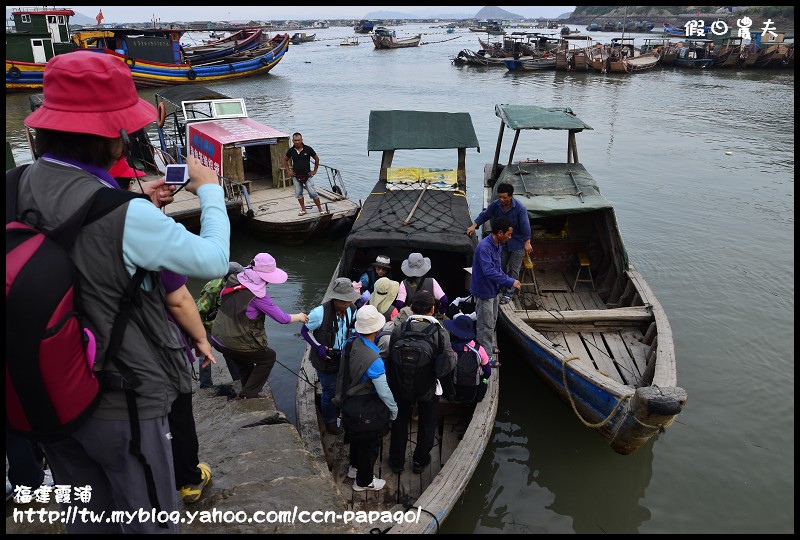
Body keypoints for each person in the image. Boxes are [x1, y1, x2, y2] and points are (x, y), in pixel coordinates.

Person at [19, 50, 230, 533]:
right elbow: (214, 260)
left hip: (45, 390)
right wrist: (211, 191)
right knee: (147, 512)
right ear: (115, 137)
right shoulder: (124, 214)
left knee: (84, 509)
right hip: (119, 396)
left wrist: (132, 203)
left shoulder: (15, 186)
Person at [210, 253, 308, 400]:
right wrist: (299, 317)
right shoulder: (258, 296)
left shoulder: (233, 280)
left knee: (245, 363)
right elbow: (283, 319)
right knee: (268, 357)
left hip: (217, 338)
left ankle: (248, 392)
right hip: (233, 341)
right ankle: (249, 395)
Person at [387, 290, 456, 475]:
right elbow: (448, 363)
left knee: (400, 421)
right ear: (432, 309)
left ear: (411, 307)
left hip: (401, 385)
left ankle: (396, 461)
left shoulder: (400, 328)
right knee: (427, 422)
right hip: (428, 387)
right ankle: (419, 461)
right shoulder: (441, 332)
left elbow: (390, 357)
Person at [161, 271, 214, 505]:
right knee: (178, 418)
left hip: (92, 353)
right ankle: (189, 482)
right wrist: (200, 337)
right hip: (155, 350)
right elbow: (179, 300)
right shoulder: (142, 239)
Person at [335, 305, 398, 492]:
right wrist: (394, 410)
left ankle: (354, 468)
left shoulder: (350, 343)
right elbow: (384, 391)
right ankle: (363, 482)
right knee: (369, 446)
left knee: (355, 438)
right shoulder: (374, 359)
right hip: (365, 405)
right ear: (377, 329)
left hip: (348, 401)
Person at [301, 277, 361, 436]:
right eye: (343, 301)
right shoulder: (318, 313)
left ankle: (338, 413)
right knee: (329, 392)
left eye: (349, 300)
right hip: (325, 360)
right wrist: (318, 347)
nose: (347, 303)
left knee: (342, 387)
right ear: (334, 298)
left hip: (343, 356)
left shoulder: (352, 309)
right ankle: (330, 421)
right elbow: (305, 331)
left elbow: (354, 328)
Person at [465, 182, 532, 304]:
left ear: (511, 196)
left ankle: (508, 294)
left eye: (504, 197)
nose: (501, 200)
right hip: (502, 242)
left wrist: (527, 242)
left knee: (514, 268)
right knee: (500, 266)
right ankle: (500, 288)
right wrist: (474, 226)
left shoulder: (520, 208)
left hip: (517, 242)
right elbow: (485, 215)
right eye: (499, 197)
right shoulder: (496, 205)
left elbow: (525, 226)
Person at [471, 217, 521, 358]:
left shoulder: (498, 245)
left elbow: (498, 268)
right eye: (509, 234)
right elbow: (489, 271)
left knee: (492, 321)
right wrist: (510, 281)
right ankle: (484, 356)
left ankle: (487, 346)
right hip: (484, 291)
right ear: (500, 233)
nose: (510, 237)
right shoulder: (484, 247)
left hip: (494, 290)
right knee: (484, 325)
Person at [195, 261, 245, 387]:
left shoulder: (236, 286)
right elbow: (200, 310)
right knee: (205, 354)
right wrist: (198, 333)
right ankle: (205, 385)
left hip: (224, 324)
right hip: (208, 325)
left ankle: (238, 380)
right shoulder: (213, 288)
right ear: (230, 277)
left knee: (229, 352)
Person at [443, 314, 492, 404]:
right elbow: (488, 372)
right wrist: (483, 380)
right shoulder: (479, 349)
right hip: (471, 393)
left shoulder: (449, 349)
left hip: (453, 390)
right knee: (484, 381)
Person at [283, 132, 324, 216]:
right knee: (298, 193)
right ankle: (303, 209)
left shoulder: (308, 149)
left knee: (312, 192)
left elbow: (316, 159)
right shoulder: (291, 150)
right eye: (295, 140)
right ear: (293, 141)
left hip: (307, 175)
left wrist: (314, 171)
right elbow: (285, 160)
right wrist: (288, 171)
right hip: (296, 175)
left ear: (302, 140)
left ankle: (320, 209)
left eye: (299, 140)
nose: (297, 142)